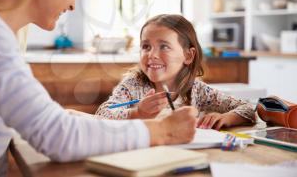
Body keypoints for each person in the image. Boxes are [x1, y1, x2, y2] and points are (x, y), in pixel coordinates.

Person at [0, 0, 198, 177]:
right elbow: (56, 137)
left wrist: (81, 120)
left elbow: (44, 123)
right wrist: (163, 131)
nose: (71, 5)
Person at [96, 14, 256, 130]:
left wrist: (226, 117)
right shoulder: (133, 85)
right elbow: (102, 113)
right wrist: (138, 112)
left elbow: (248, 108)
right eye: (146, 46)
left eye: (164, 46)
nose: (151, 55)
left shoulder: (198, 91)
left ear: (188, 55)